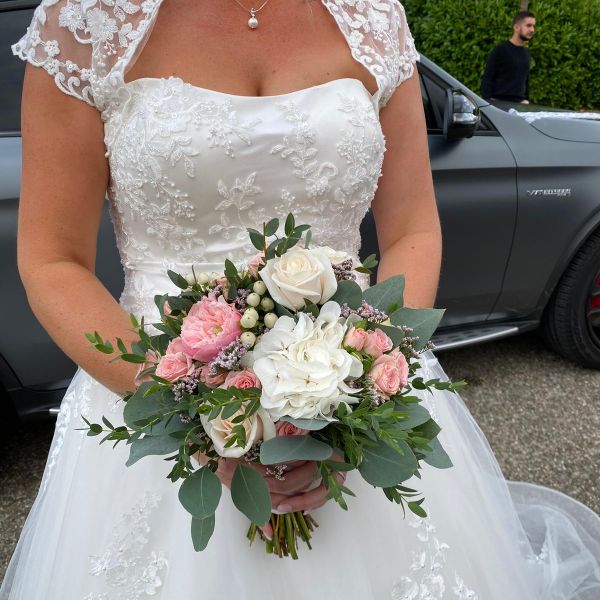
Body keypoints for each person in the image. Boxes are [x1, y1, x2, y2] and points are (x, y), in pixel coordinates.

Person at [2, 1, 600, 598]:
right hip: (155, 386)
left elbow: (413, 228)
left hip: (347, 383)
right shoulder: (83, 24)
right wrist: (201, 421)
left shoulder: (374, 18)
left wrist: (361, 389)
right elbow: (53, 262)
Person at [482, 11, 536, 104]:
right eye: (528, 25)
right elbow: (487, 78)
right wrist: (488, 102)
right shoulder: (500, 50)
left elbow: (525, 79)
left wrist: (526, 99)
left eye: (533, 26)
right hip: (499, 104)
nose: (532, 30)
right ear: (516, 27)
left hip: (519, 105)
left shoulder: (526, 53)